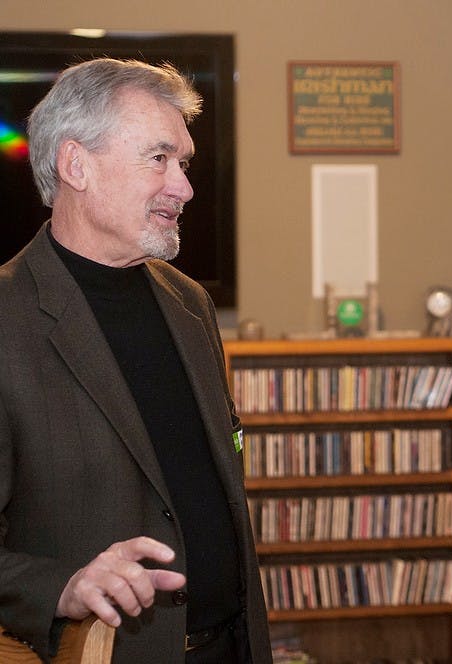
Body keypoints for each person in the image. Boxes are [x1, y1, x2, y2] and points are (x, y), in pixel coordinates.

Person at [0, 58, 271, 662]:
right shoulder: (6, 319)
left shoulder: (189, 303)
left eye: (184, 163)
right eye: (159, 159)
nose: (184, 186)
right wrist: (63, 588)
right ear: (77, 165)